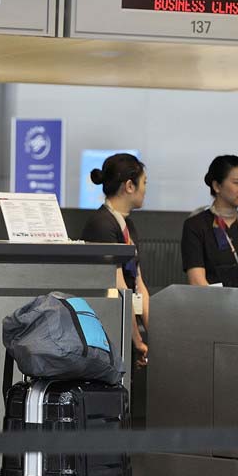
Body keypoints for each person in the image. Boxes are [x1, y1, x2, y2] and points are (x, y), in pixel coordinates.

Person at [80, 153, 149, 368]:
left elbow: (139, 283)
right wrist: (137, 340)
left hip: (125, 325)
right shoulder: (102, 225)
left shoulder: (128, 225)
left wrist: (156, 336)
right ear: (129, 185)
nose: (145, 189)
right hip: (108, 328)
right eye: (144, 183)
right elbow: (118, 287)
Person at [182, 155, 238, 288]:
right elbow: (197, 282)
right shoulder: (196, 225)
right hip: (211, 304)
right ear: (217, 186)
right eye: (237, 183)